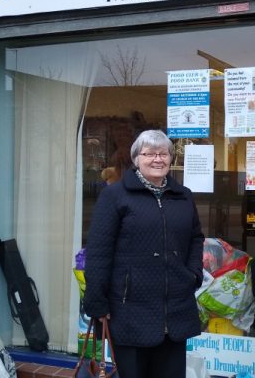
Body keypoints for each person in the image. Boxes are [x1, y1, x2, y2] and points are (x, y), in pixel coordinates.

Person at [84, 129, 205, 378]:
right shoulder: (115, 196)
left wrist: (193, 275)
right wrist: (97, 301)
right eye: (149, 153)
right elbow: (98, 251)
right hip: (129, 311)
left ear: (171, 159)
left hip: (176, 310)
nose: (157, 159)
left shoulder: (183, 196)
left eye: (163, 153)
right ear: (136, 158)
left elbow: (195, 238)